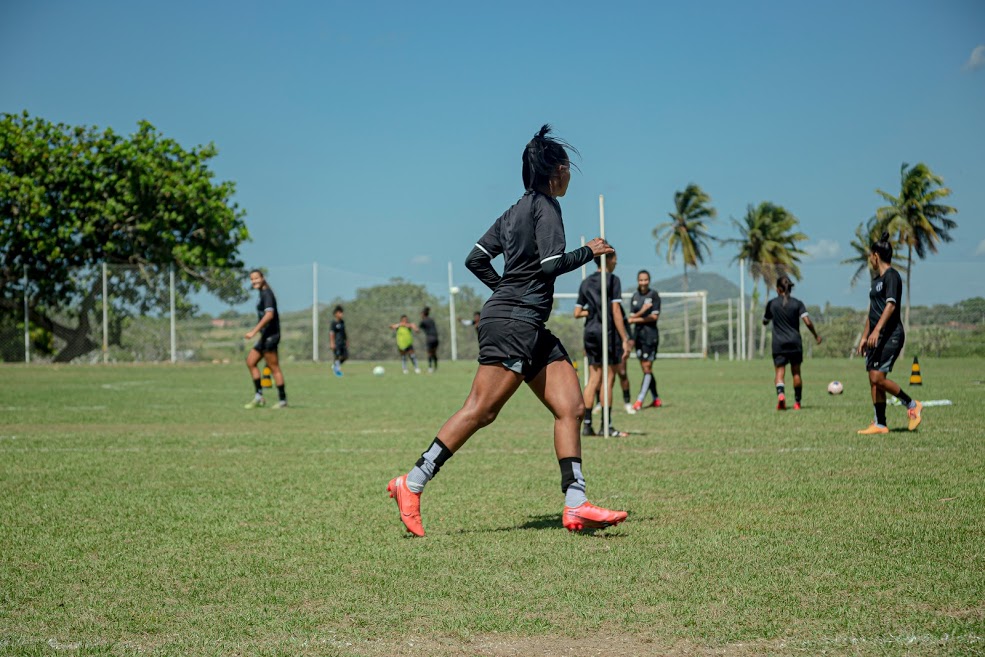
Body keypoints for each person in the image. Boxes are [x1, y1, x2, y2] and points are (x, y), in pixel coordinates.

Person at [386, 125, 627, 536]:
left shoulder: (514, 211)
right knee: (482, 409)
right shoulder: (547, 207)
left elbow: (475, 259)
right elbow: (551, 264)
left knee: (571, 407)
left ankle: (576, 504)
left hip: (526, 323)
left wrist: (507, 293)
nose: (569, 175)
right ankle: (411, 483)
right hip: (515, 323)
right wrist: (592, 250)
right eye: (567, 168)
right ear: (556, 171)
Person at [856, 233, 923, 434]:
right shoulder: (877, 280)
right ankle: (880, 423)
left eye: (870, 255)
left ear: (876, 255)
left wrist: (877, 330)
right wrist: (864, 336)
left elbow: (890, 305)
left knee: (877, 378)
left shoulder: (892, 276)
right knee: (873, 378)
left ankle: (912, 405)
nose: (869, 259)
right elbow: (872, 311)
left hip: (891, 334)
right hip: (876, 336)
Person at [575, 250, 632, 437]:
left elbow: (577, 313)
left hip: (590, 333)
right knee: (608, 379)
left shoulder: (585, 282)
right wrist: (625, 338)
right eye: (614, 257)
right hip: (607, 333)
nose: (616, 261)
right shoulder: (612, 280)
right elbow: (616, 310)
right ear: (607, 260)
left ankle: (587, 425)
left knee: (593, 379)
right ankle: (606, 426)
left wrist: (591, 312)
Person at [762, 275, 821, 410]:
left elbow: (765, 320)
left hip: (779, 344)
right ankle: (797, 402)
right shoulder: (797, 303)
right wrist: (816, 335)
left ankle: (781, 395)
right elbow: (807, 321)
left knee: (779, 372)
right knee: (796, 373)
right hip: (795, 342)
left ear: (777, 289)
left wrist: (767, 320)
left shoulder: (772, 304)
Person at [243, 270, 287, 409]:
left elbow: (269, 315)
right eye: (251, 279)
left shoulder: (267, 293)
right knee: (251, 362)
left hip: (271, 336)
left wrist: (253, 331)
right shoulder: (261, 293)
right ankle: (259, 397)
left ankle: (282, 400)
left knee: (274, 368)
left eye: (256, 278)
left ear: (262, 278)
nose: (254, 281)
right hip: (264, 336)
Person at [628, 269, 662, 411]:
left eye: (645, 280)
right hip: (638, 337)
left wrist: (636, 318)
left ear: (649, 280)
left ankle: (639, 400)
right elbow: (630, 318)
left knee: (647, 368)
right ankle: (656, 399)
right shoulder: (634, 296)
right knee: (645, 368)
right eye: (641, 280)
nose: (643, 282)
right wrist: (642, 312)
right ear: (638, 281)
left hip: (650, 336)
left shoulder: (654, 295)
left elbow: (654, 317)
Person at [420, 307, 440, 372]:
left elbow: (419, 328)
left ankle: (430, 367)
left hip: (430, 338)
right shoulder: (431, 320)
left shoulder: (423, 321)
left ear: (423, 314)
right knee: (434, 353)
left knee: (429, 353)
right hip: (436, 338)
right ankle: (436, 367)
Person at [329, 305, 347, 377]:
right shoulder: (334, 323)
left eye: (342, 313)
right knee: (337, 356)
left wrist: (346, 340)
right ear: (336, 314)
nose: (341, 314)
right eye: (340, 313)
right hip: (336, 343)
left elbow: (344, 332)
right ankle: (337, 371)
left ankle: (335, 366)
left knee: (345, 356)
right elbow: (331, 333)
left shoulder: (342, 322)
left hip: (342, 342)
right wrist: (332, 343)